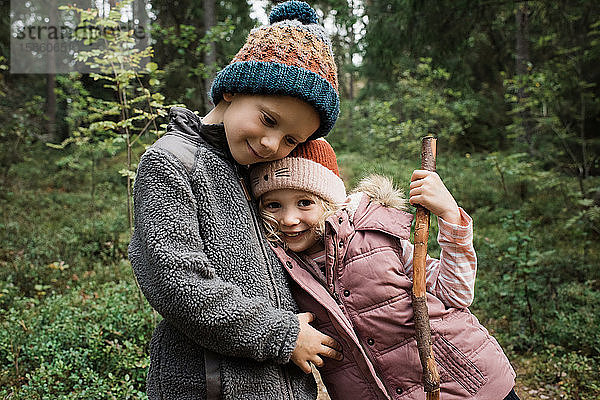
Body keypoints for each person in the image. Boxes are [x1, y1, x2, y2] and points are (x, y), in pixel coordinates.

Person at [128, 2, 346, 399]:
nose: (271, 144)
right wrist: (282, 334)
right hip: (208, 387)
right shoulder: (172, 162)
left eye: (291, 140)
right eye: (268, 120)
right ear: (232, 89)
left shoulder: (254, 173)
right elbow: (178, 283)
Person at [249, 139, 519, 400]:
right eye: (273, 205)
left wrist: (449, 216)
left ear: (329, 202)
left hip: (466, 387)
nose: (289, 219)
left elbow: (455, 294)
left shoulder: (377, 235)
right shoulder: (276, 266)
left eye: (305, 202)